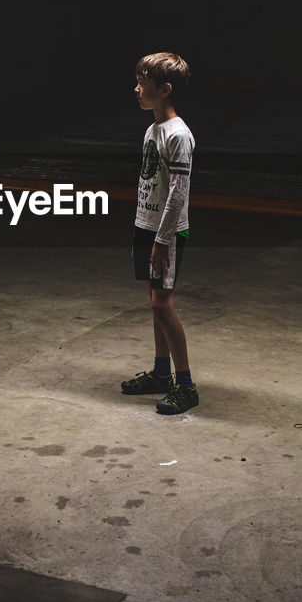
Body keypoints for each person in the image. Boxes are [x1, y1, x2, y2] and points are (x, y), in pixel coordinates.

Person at [121, 52, 198, 415]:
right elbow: (149, 185)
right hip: (147, 228)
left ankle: (185, 386)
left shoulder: (179, 136)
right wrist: (140, 229)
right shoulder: (152, 130)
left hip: (165, 234)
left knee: (161, 304)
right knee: (155, 303)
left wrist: (162, 240)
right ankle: (161, 373)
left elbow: (178, 195)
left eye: (142, 84)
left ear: (164, 90)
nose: (136, 89)